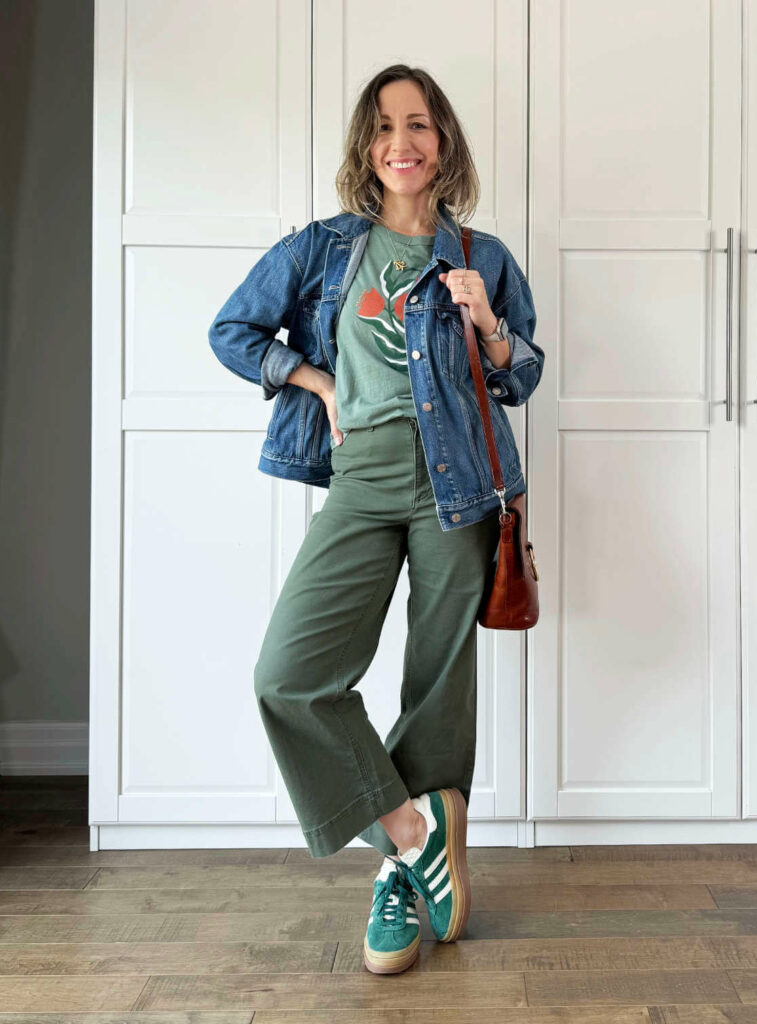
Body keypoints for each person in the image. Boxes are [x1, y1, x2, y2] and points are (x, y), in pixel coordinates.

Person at [208, 64, 544, 974]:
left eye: (421, 124)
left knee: (436, 686)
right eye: (386, 126)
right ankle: (408, 839)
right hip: (360, 478)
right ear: (366, 146)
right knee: (290, 676)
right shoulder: (322, 250)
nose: (404, 141)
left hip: (461, 485)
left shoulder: (484, 256)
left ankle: (404, 882)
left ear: (444, 143)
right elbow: (232, 331)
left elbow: (521, 377)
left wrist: (491, 330)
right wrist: (311, 379)